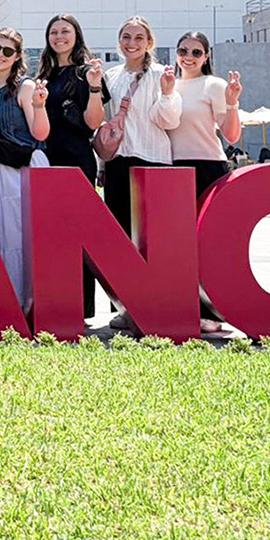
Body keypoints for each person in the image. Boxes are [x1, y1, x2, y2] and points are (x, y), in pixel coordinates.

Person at [100, 17, 182, 328]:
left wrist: (168, 94)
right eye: (126, 37)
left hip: (154, 161)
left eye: (138, 38)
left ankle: (158, 305)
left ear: (149, 43)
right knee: (121, 238)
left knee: (152, 240)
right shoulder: (111, 76)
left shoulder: (162, 74)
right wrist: (102, 165)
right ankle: (126, 308)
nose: (131, 43)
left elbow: (169, 121)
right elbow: (105, 122)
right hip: (118, 163)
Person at [167, 31, 243, 334]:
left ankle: (211, 312)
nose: (188, 57)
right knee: (178, 246)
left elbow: (231, 136)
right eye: (183, 50)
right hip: (172, 170)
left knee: (206, 245)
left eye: (196, 52)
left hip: (208, 167)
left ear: (206, 56)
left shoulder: (214, 85)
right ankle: (182, 307)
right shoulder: (168, 85)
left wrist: (233, 104)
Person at [35, 14, 107, 319]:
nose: (59, 36)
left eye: (65, 31)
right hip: (46, 160)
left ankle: (82, 304)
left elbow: (94, 122)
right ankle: (56, 299)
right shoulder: (44, 75)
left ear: (76, 35)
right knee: (52, 234)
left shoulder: (86, 73)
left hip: (76, 159)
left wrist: (94, 88)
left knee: (78, 232)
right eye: (53, 32)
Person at [0, 28, 51, 310]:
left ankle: (26, 303)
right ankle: (4, 301)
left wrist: (39, 106)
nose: (0, 55)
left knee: (21, 235)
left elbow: (40, 133)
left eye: (8, 51)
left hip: (23, 168)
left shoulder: (25, 87)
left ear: (17, 56)